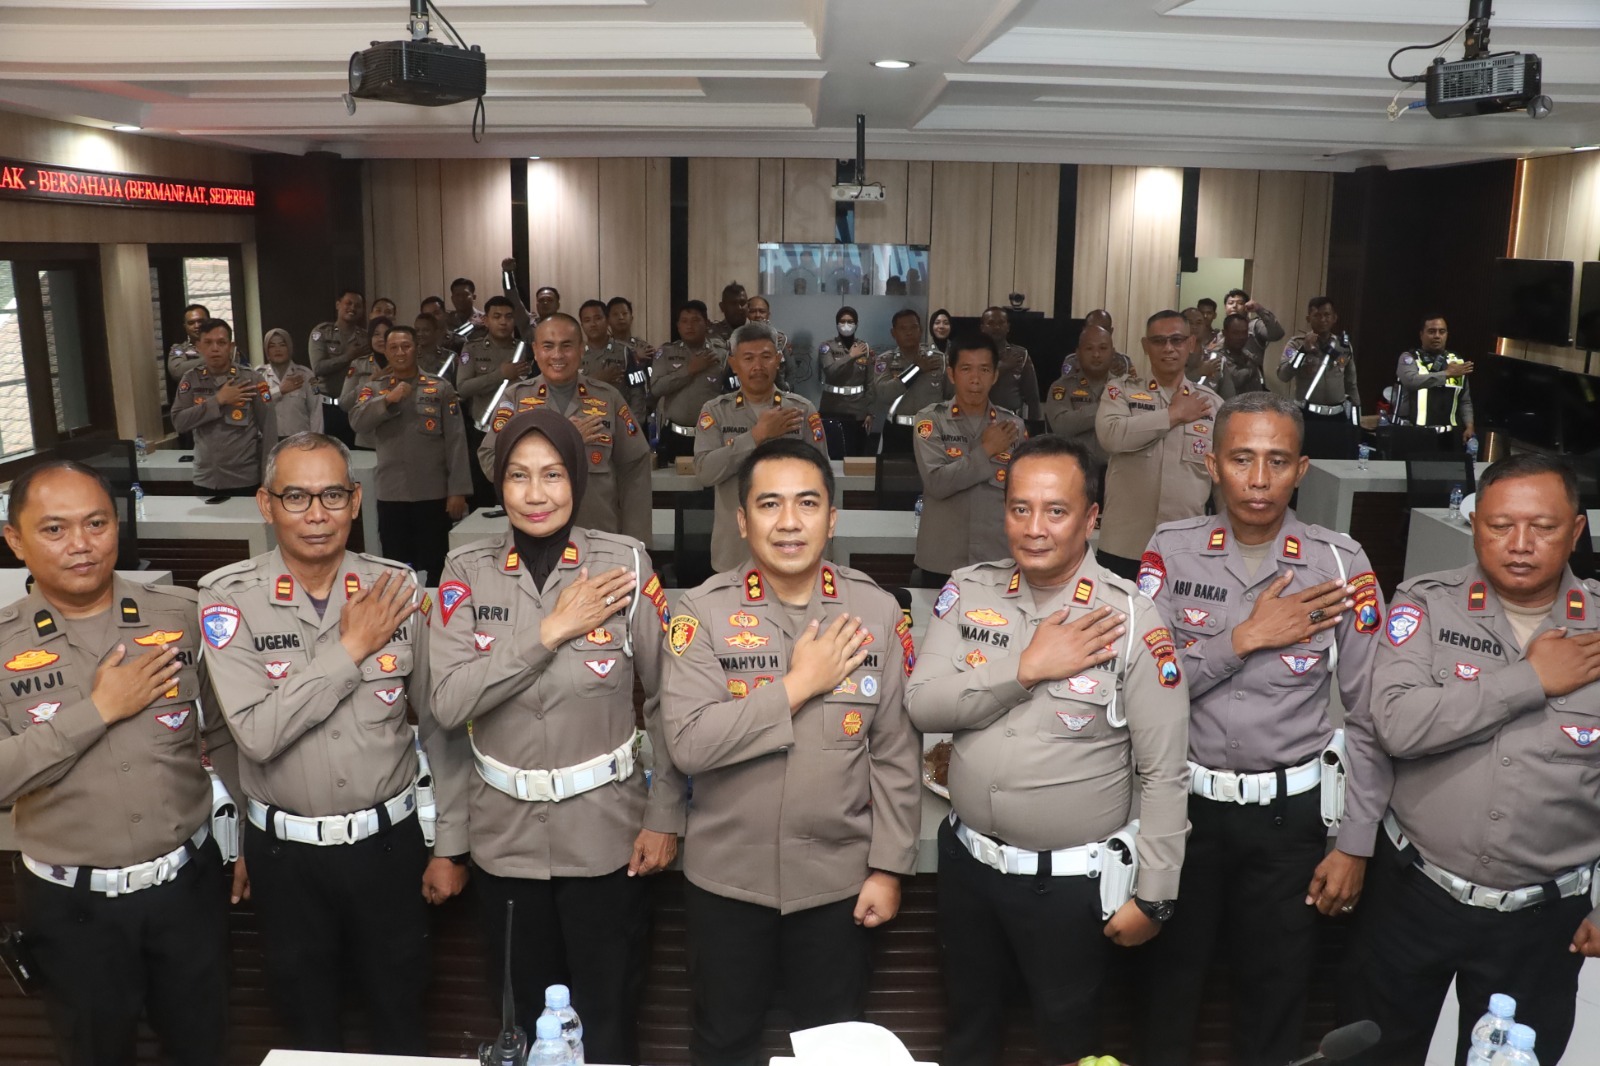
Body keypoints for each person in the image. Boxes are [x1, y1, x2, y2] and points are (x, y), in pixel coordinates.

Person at [905, 435, 1190, 1064]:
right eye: (1020, 508)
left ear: (1091, 518)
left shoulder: (1132, 619)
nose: (1035, 528)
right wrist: (1025, 670)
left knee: (1068, 1041)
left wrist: (1156, 896)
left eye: (1056, 511)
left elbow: (1165, 771)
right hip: (968, 868)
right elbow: (923, 705)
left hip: (1069, 889)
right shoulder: (969, 591)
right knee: (968, 1031)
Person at [1134, 392, 1392, 1066]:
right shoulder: (1171, 552)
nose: (1258, 479)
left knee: (1275, 998)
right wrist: (1242, 639)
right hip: (1181, 811)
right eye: (1241, 458)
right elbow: (1144, 693)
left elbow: (1368, 717)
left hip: (1289, 821)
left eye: (1277, 461)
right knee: (1166, 993)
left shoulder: (1341, 564)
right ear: (1212, 463)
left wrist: (1356, 842)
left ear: (1301, 469)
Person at [198, 432, 469, 1054]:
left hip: (391, 848)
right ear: (266, 505)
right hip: (285, 856)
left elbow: (441, 723)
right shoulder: (228, 599)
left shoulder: (396, 589)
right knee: (307, 1031)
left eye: (332, 496)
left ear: (356, 501)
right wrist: (351, 649)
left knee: (401, 1022)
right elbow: (253, 734)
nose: (316, 514)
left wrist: (452, 845)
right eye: (296, 497)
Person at [431, 408, 687, 1064]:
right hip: (505, 842)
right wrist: (548, 632)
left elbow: (667, 697)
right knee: (522, 1025)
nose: (535, 493)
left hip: (606, 838)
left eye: (552, 474)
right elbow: (448, 702)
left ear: (577, 477)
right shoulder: (466, 570)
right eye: (518, 476)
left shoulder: (624, 564)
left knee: (608, 1021)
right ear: (499, 484)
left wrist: (664, 814)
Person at [660, 439, 921, 1066]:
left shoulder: (876, 611)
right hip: (727, 882)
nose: (789, 522)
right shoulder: (702, 611)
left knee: (835, 1050)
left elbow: (894, 754)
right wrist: (798, 686)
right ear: (742, 520)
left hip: (838, 885)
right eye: (769, 504)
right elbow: (689, 741)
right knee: (722, 1043)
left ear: (832, 519)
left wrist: (889, 869)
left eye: (807, 503)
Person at [1344, 453, 1600, 1066]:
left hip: (1543, 918)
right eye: (1500, 525)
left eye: (1542, 527)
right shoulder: (1428, 605)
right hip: (1414, 894)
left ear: (1576, 530)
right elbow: (1397, 725)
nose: (1520, 544)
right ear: (1475, 524)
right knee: (1374, 1051)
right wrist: (1529, 680)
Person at [0, 460, 237, 1066]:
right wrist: (98, 711)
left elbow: (225, 734)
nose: (81, 544)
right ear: (15, 540)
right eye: (54, 529)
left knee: (203, 1049)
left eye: (96, 523)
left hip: (187, 890)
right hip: (71, 909)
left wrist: (246, 847)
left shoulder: (180, 614)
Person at [479, 314, 653, 548]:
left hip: (598, 538)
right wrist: (563, 440)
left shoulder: (608, 398)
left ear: (581, 349)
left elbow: (635, 470)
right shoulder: (516, 398)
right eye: (548, 346)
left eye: (566, 346)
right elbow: (490, 461)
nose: (557, 355)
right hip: (534, 536)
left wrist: (636, 542)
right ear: (536, 351)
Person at [1094, 310, 1220, 582]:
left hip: (1186, 547)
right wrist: (1173, 415)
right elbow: (1110, 435)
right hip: (1125, 545)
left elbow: (1221, 480)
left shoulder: (1211, 404)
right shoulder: (1121, 391)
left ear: (1191, 344)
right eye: (1159, 341)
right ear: (1145, 346)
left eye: (1177, 340)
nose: (1168, 348)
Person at [695, 321, 827, 572]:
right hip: (735, 549)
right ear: (734, 364)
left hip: (791, 543)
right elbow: (705, 472)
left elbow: (821, 481)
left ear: (778, 360)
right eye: (748, 358)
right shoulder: (715, 411)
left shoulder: (801, 410)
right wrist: (756, 437)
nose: (758, 366)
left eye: (766, 357)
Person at [349, 324, 472, 584]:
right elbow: (357, 421)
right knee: (397, 566)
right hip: (392, 493)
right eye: (393, 347)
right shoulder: (375, 387)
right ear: (386, 351)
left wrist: (458, 490)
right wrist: (387, 400)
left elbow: (456, 441)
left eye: (406, 346)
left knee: (437, 564)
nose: (400, 352)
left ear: (417, 349)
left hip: (433, 492)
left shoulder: (440, 387)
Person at [910, 334, 1026, 588]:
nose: (975, 379)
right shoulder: (931, 420)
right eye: (966, 369)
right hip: (942, 559)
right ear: (951, 374)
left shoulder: (1013, 427)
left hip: (997, 558)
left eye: (984, 370)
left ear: (995, 375)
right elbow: (937, 482)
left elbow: (1024, 494)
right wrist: (987, 450)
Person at [172, 318, 277, 496]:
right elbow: (179, 422)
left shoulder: (252, 379)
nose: (215, 348)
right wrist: (218, 400)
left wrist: (268, 478)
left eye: (221, 343)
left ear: (231, 346)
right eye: (208, 343)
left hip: (244, 479)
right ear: (199, 347)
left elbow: (269, 430)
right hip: (205, 478)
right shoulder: (191, 379)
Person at [457, 295, 528, 507]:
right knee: (482, 501)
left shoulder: (525, 349)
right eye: (497, 316)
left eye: (508, 316)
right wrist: (500, 375)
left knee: (515, 497)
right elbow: (463, 388)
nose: (503, 322)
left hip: (517, 434)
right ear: (486, 320)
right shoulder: (473, 349)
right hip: (482, 433)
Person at [1278, 296, 1360, 460]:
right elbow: (1283, 375)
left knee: (1336, 463)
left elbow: (1351, 383)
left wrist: (1356, 418)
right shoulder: (1296, 344)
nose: (1322, 319)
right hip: (1307, 416)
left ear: (1334, 318)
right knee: (1306, 463)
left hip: (1337, 417)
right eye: (1317, 315)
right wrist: (1303, 351)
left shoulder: (1343, 346)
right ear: (1308, 318)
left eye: (1327, 315)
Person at [651, 300, 728, 461]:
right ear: (678, 326)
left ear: (707, 324)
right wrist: (689, 370)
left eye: (695, 320)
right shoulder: (666, 352)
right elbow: (656, 388)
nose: (689, 326)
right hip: (674, 437)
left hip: (711, 434)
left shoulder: (721, 354)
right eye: (684, 321)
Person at [1043, 323, 1115, 479]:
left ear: (1113, 352)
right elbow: (1061, 426)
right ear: (1078, 353)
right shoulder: (1062, 387)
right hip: (1072, 472)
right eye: (1089, 348)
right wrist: (1107, 407)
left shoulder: (1124, 389)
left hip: (1114, 474)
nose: (1096, 354)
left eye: (1103, 348)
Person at [1394, 314, 1475, 450]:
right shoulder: (1409, 358)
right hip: (1415, 434)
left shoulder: (1457, 362)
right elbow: (1411, 381)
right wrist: (1446, 374)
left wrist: (1469, 425)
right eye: (1431, 331)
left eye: (1442, 331)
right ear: (1421, 335)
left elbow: (1464, 400)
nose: (1437, 336)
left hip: (1449, 437)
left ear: (1447, 335)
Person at [871, 309, 951, 440]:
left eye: (914, 327)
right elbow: (884, 394)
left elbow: (950, 396)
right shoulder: (886, 360)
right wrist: (916, 369)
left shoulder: (938, 359)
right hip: (898, 430)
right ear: (893, 333)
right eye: (903, 328)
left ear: (921, 330)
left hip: (931, 429)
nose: (909, 333)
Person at [817, 305, 876, 455]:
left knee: (855, 455)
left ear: (856, 324)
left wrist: (870, 412)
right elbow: (830, 372)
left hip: (857, 410)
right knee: (832, 453)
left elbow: (870, 383)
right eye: (842, 321)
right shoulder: (827, 347)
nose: (846, 325)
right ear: (837, 324)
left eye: (850, 321)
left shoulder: (864, 348)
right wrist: (850, 356)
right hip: (832, 408)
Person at [980, 306, 1042, 423]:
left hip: (1012, 421)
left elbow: (1032, 395)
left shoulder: (1020, 354)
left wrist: (1034, 424)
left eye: (1001, 323)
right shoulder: (973, 354)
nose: (996, 327)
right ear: (982, 328)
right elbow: (978, 383)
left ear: (1008, 327)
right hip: (979, 419)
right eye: (991, 323)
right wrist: (1003, 366)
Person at [340, 315, 390, 450]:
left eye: (386, 334)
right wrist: (369, 382)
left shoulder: (401, 364)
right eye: (376, 334)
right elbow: (344, 403)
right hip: (367, 439)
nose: (381, 339)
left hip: (394, 439)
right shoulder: (359, 364)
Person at [262, 327, 322, 439]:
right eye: (272, 346)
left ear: (289, 348)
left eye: (282, 345)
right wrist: (279, 390)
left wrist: (317, 440)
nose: (277, 349)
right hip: (269, 439)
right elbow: (258, 402)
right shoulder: (260, 375)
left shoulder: (307, 375)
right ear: (267, 351)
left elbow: (316, 411)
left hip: (300, 439)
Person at [307, 289, 370, 394]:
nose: (353, 308)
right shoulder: (322, 332)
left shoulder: (366, 337)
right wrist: (348, 356)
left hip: (355, 399)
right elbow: (318, 368)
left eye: (358, 306)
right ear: (338, 305)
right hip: (327, 399)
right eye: (348, 303)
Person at [1198, 312, 1269, 398]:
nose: (1241, 337)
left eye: (1244, 332)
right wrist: (1252, 368)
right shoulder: (1216, 357)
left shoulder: (1248, 356)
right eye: (1236, 333)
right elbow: (1236, 379)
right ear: (1224, 333)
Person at [1061, 309, 1134, 379]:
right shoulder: (1073, 361)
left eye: (1103, 329)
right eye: (1092, 328)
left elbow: (1132, 385)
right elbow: (1067, 385)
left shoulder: (1123, 362)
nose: (1097, 332)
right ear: (1084, 330)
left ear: (1111, 331)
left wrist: (1113, 376)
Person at [1221, 288, 1286, 367]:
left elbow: (1277, 334)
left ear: (1246, 306)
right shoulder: (1221, 333)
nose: (1234, 306)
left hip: (1251, 372)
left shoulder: (1255, 325)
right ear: (1225, 307)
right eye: (1230, 303)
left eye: (1240, 303)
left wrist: (1259, 309)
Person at [166, 301, 209, 385]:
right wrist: (209, 360)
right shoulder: (179, 349)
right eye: (191, 323)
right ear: (185, 327)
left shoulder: (221, 345)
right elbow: (177, 371)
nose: (197, 326)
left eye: (201, 321)